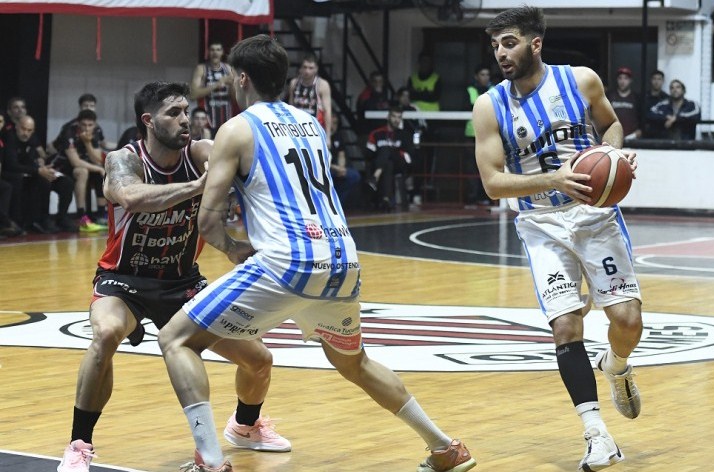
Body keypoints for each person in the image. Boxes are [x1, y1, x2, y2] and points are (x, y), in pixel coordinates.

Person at [157, 34, 475, 472]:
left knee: (175, 339)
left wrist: (233, 249)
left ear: (242, 78)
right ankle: (444, 447)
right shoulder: (311, 124)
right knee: (355, 363)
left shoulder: (237, 128)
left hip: (288, 261)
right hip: (342, 260)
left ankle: (210, 462)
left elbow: (209, 223)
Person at [57, 81, 290, 472]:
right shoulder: (123, 160)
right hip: (125, 280)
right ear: (149, 121)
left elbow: (243, 165)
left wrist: (235, 239)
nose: (185, 120)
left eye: (186, 111)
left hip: (182, 283)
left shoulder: (201, 153)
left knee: (259, 360)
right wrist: (199, 186)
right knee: (106, 334)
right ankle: (79, 445)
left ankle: (245, 426)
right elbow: (131, 197)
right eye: (174, 113)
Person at [474, 6, 642, 471]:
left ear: (535, 43)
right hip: (541, 224)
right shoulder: (489, 105)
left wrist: (613, 155)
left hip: (594, 217)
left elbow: (611, 125)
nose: (500, 52)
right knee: (565, 326)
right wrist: (553, 179)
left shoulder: (581, 80)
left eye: (509, 42)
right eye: (495, 45)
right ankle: (597, 435)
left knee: (628, 321)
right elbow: (493, 182)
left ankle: (616, 364)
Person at [1, 115, 75, 233]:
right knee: (42, 181)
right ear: (17, 127)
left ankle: (62, 217)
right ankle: (41, 219)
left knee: (67, 182)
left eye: (29, 130)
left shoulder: (32, 139)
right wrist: (38, 170)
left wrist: (42, 166)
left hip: (33, 171)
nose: (26, 133)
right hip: (17, 174)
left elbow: (36, 158)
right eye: (23, 129)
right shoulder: (10, 138)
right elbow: (11, 165)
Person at [50, 109, 108, 232]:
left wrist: (87, 143)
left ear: (95, 125)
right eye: (83, 125)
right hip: (63, 166)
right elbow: (75, 162)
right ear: (78, 123)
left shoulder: (96, 131)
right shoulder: (68, 130)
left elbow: (98, 159)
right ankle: (81, 217)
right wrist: (99, 168)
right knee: (83, 171)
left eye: (90, 125)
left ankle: (101, 215)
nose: (86, 128)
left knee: (100, 173)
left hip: (84, 164)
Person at [365, 105, 415, 211]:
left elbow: (409, 156)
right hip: (383, 163)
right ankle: (386, 200)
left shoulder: (405, 135)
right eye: (394, 116)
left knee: (386, 149)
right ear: (388, 117)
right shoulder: (377, 133)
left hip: (400, 164)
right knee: (388, 164)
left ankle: (375, 178)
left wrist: (393, 151)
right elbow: (369, 153)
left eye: (399, 117)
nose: (396, 120)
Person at [190, 42, 237, 136]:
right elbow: (193, 95)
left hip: (226, 119)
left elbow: (236, 99)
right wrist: (217, 84)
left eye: (218, 50)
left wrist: (232, 85)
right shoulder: (202, 69)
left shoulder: (229, 69)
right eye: (212, 50)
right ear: (208, 52)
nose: (215, 52)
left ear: (222, 52)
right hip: (207, 120)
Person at [464, 64, 494, 206]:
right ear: (476, 76)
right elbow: (465, 108)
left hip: (489, 134)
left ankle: (487, 197)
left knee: (488, 167)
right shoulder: (469, 90)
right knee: (471, 168)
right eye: (482, 74)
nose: (485, 77)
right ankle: (472, 197)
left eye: (487, 75)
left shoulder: (494, 89)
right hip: (471, 134)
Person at [49, 93, 116, 155]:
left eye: (92, 106)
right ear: (80, 107)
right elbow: (53, 146)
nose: (89, 108)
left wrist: (121, 145)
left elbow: (103, 143)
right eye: (85, 106)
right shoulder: (69, 127)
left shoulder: (97, 127)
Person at [288, 52, 333, 141]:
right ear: (300, 69)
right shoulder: (294, 83)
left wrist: (328, 136)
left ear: (316, 69)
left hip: (315, 130)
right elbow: (290, 107)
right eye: (305, 67)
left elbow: (327, 111)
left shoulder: (322, 85)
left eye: (311, 68)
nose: (307, 71)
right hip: (297, 129)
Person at [330, 113, 361, 207]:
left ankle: (337, 204)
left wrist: (341, 168)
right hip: (324, 169)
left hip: (336, 168)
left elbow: (341, 154)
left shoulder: (338, 136)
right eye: (331, 123)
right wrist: (336, 168)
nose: (333, 126)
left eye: (335, 123)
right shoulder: (319, 136)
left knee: (354, 175)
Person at [606, 67, 641, 139]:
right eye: (620, 78)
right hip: (613, 138)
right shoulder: (609, 96)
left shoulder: (636, 98)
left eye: (625, 78)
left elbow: (641, 122)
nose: (622, 81)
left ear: (630, 80)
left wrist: (633, 136)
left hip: (632, 139)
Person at [642, 70, 670, 139]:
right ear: (651, 80)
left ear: (663, 81)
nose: (656, 82)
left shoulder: (667, 98)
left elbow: (668, 114)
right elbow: (643, 115)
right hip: (646, 134)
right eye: (654, 79)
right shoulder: (643, 97)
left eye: (659, 79)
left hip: (663, 134)